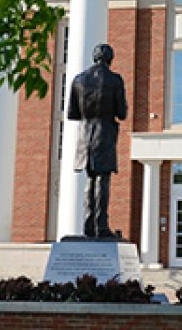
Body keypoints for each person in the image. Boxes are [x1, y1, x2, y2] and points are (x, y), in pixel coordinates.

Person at [66, 43, 128, 238]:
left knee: (90, 178)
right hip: (104, 131)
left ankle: (87, 223)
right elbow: (122, 113)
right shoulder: (114, 80)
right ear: (110, 59)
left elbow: (72, 113)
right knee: (102, 179)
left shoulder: (78, 80)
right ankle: (101, 225)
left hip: (85, 134)